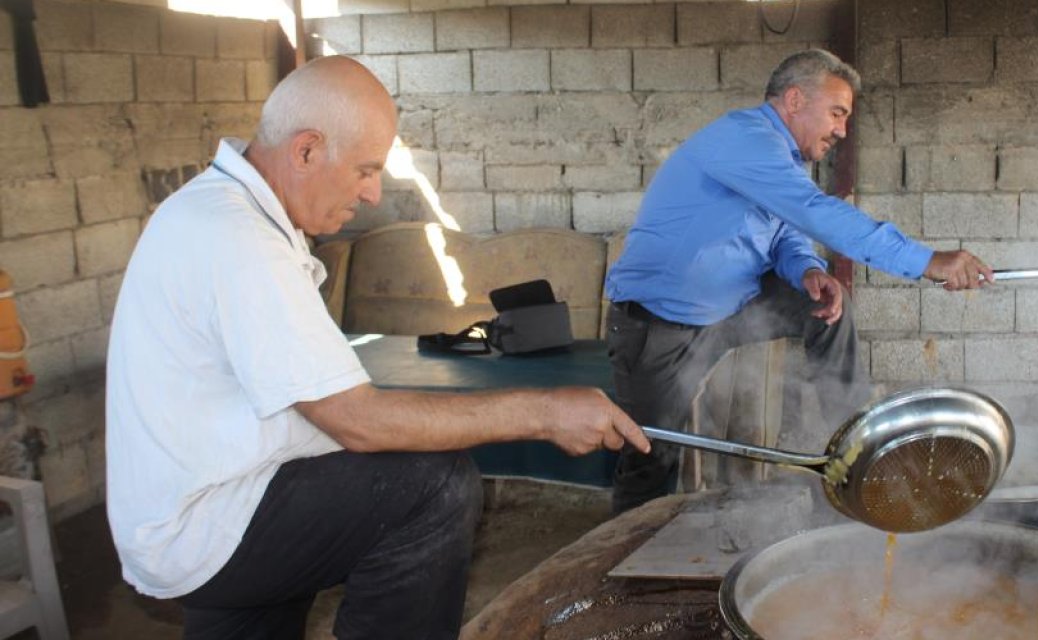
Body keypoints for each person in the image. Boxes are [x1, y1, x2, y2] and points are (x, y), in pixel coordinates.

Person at [105, 55, 648, 640]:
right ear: (307, 150)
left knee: (293, 567)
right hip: (210, 520)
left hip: (207, 496)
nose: (371, 194)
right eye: (366, 170)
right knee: (432, 486)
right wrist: (545, 412)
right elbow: (358, 421)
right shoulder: (238, 239)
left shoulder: (220, 210)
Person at [604, 49, 992, 513]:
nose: (841, 130)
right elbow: (813, 212)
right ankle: (620, 564)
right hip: (659, 324)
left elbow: (786, 232)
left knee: (828, 308)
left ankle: (855, 451)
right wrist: (927, 261)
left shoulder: (781, 161)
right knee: (650, 453)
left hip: (732, 308)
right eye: (836, 113)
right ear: (793, 100)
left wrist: (808, 270)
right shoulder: (743, 140)